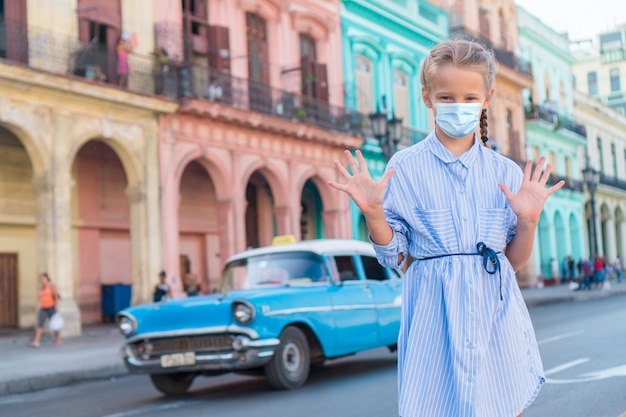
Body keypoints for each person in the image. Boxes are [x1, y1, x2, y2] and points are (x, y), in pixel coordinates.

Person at [328, 39, 564, 417]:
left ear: (486, 98)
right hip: (433, 323)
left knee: (502, 405)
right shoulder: (403, 168)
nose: (458, 106)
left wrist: (529, 221)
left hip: (495, 320)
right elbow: (396, 257)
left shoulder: (504, 172)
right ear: (427, 98)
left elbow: (513, 262)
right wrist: (374, 212)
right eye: (447, 97)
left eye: (469, 97)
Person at [30, 273, 61, 347]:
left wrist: (56, 307)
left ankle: (58, 338)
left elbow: (56, 297)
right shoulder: (40, 288)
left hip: (51, 308)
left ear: (47, 279)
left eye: (43, 278)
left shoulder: (51, 287)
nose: (42, 280)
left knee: (55, 325)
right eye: (41, 279)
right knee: (40, 324)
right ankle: (36, 341)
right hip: (43, 308)